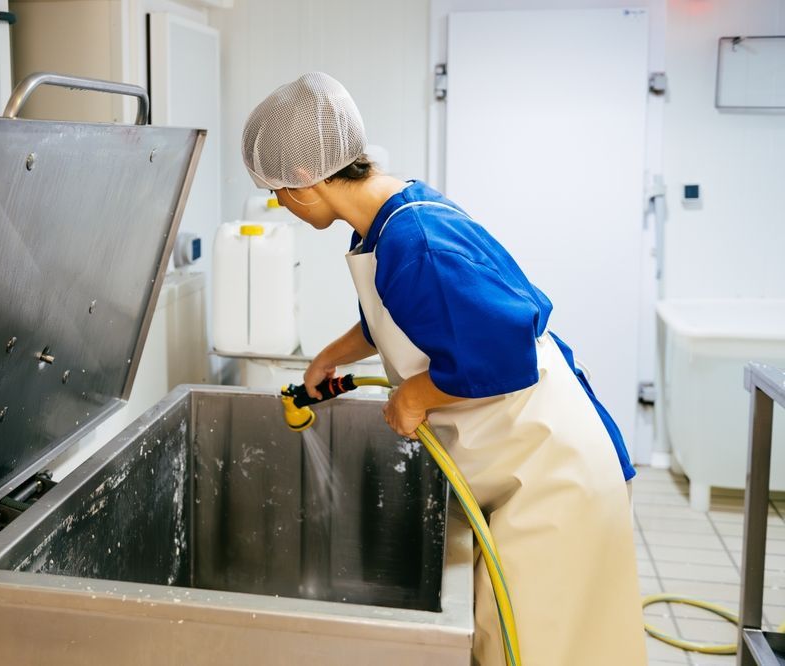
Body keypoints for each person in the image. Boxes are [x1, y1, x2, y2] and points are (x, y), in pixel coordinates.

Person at [241, 72, 646, 666]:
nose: (281, 205)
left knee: (535, 649)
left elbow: (500, 354)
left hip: (550, 473)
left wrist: (415, 397)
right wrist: (330, 356)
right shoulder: (388, 216)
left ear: (306, 178)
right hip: (522, 462)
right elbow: (409, 317)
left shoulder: (414, 238)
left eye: (278, 191)